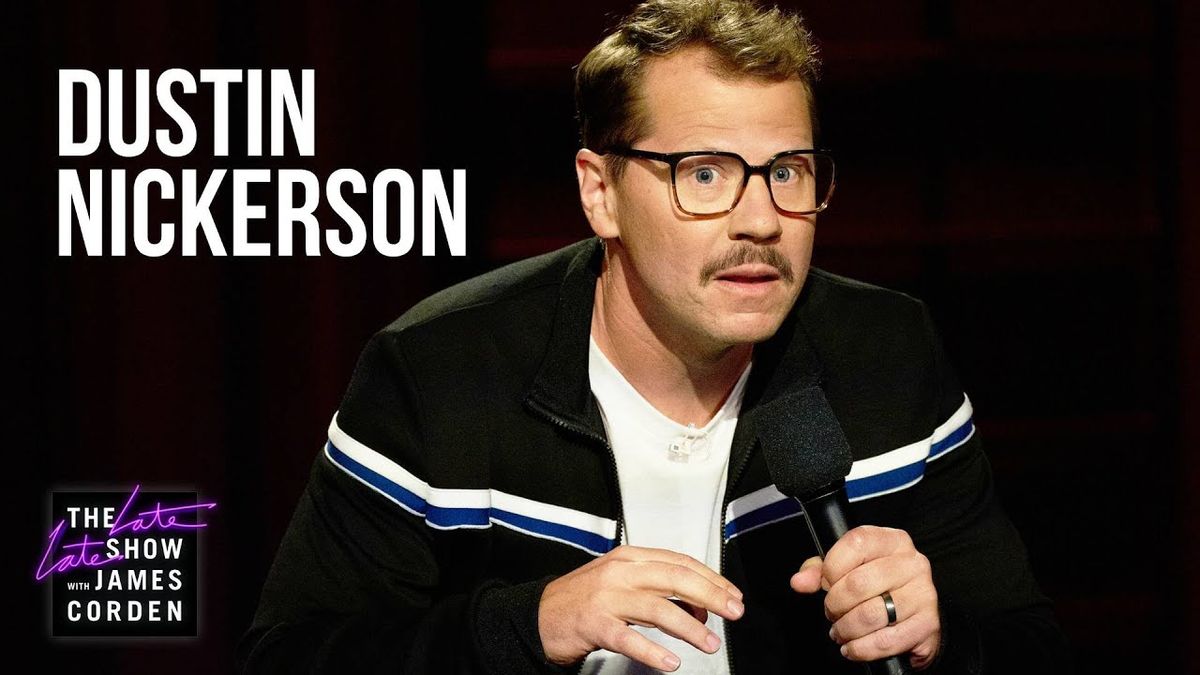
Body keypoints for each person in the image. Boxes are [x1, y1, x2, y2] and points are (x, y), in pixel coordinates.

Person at [239, 1, 1069, 672]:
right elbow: (289, 655)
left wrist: (939, 641)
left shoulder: (886, 354)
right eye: (704, 173)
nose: (760, 220)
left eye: (787, 172)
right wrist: (528, 624)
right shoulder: (440, 371)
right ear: (599, 193)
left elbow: (1030, 645)